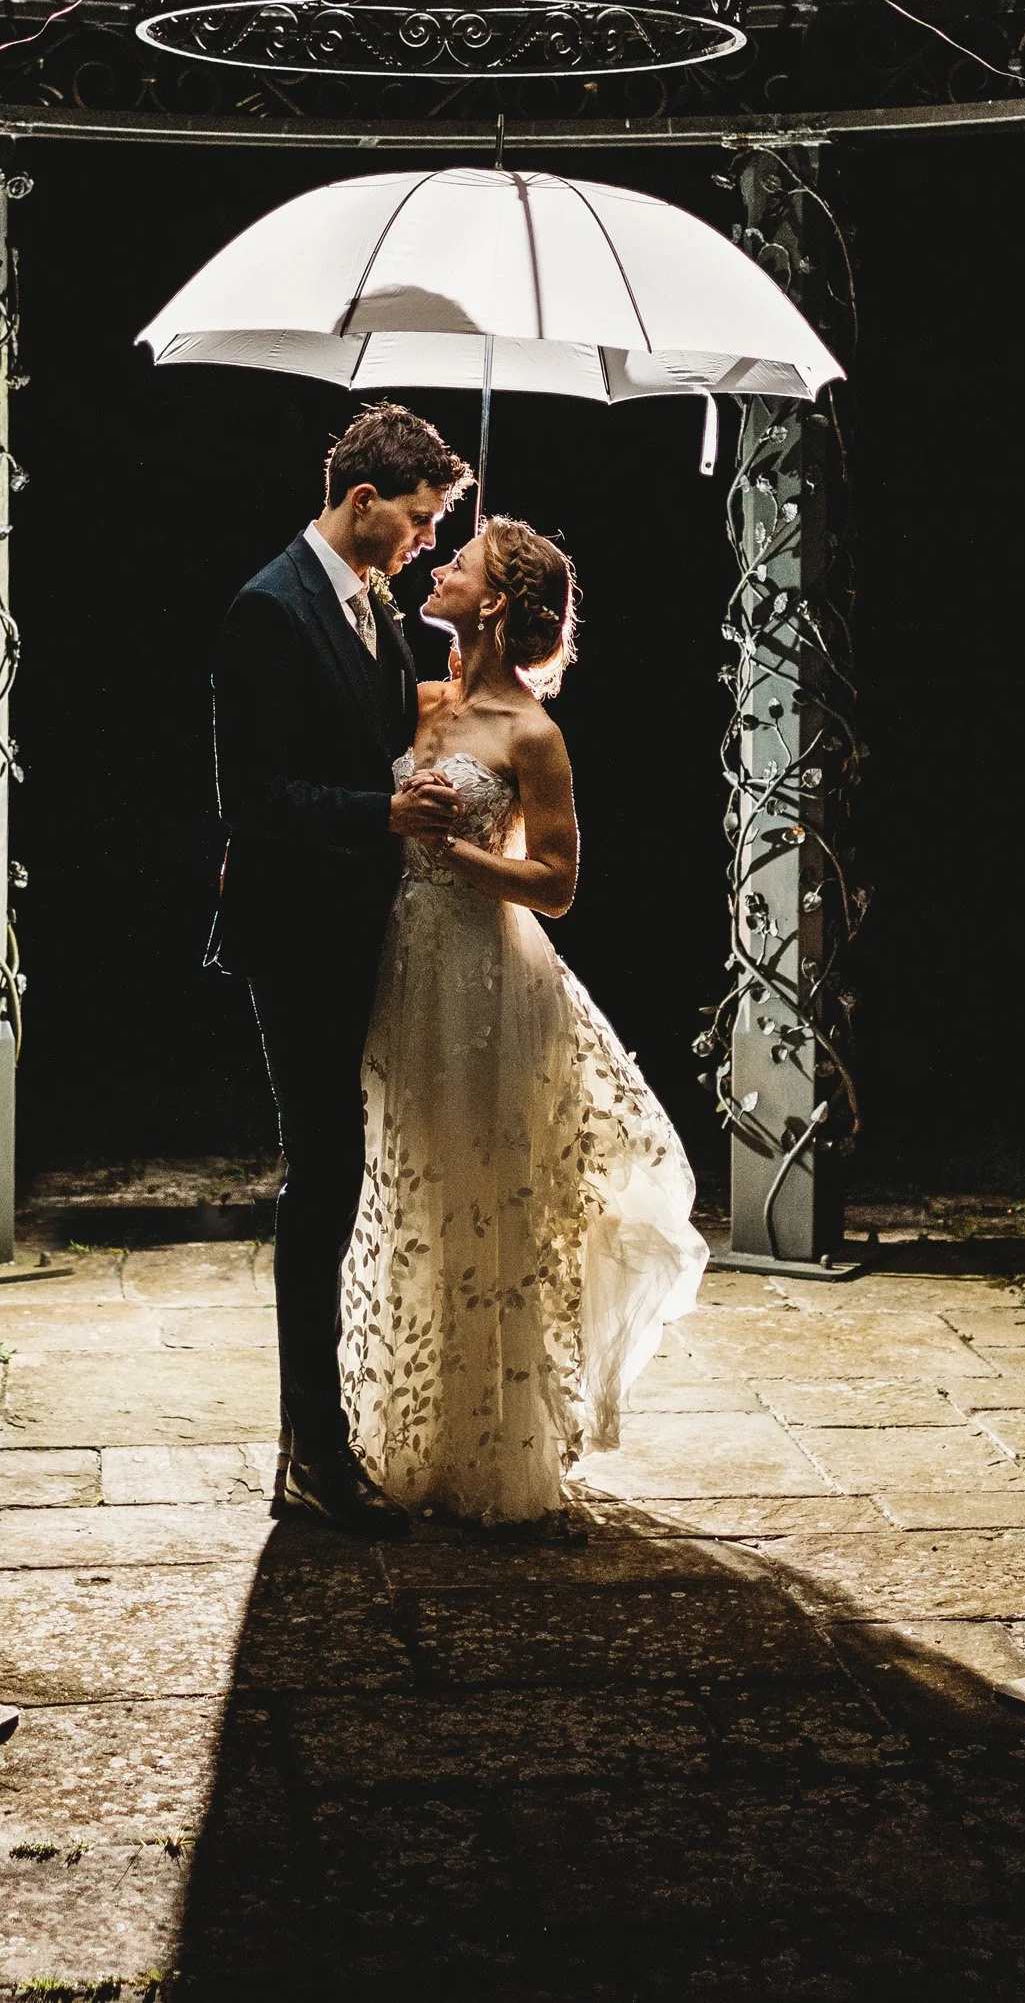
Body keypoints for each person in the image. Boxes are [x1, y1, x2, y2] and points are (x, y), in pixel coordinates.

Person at [339, 515, 707, 1524]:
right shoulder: (416, 700)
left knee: (489, 1198)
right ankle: (402, 1434)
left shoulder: (531, 734)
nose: (440, 566)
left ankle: (496, 1452)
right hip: (402, 968)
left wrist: (449, 852)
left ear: (493, 601)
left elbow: (555, 881)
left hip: (483, 979)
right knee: (410, 1186)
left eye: (459, 562)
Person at [208, 403, 470, 1536]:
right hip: (297, 936)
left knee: (359, 1175)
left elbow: (383, 748)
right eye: (416, 521)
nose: (422, 543)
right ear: (362, 499)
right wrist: (386, 810)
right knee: (321, 1177)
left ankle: (341, 1426)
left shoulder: (381, 614)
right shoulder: (266, 610)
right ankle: (310, 1447)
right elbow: (256, 805)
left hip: (378, 931)